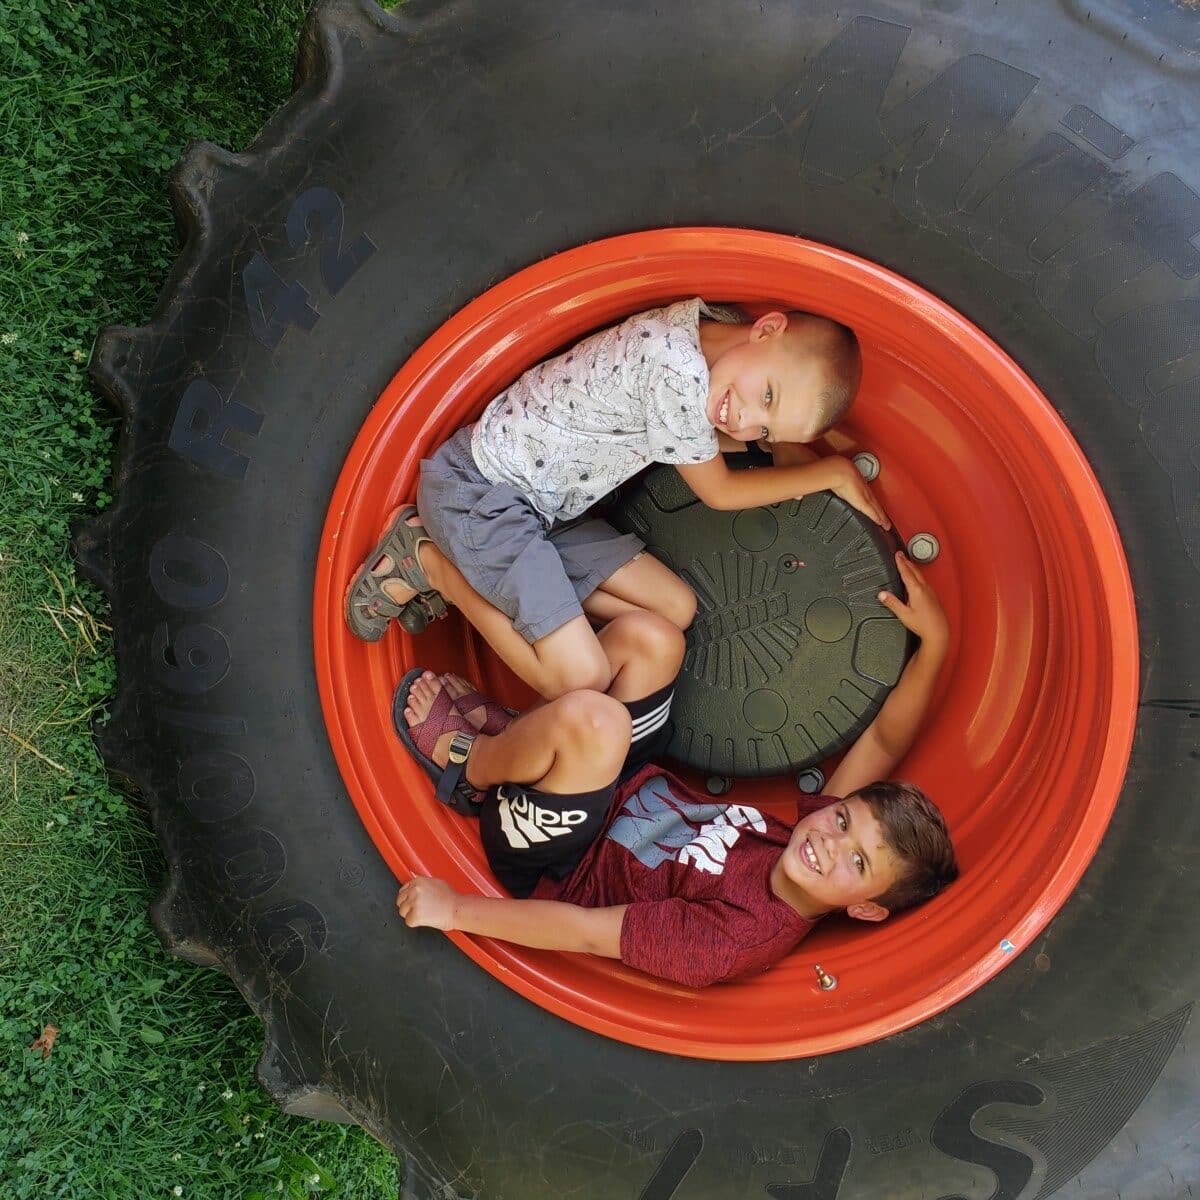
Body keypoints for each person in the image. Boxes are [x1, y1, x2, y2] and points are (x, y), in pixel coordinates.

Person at [394, 551, 957, 988]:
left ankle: (471, 767)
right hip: (618, 783)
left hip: (559, 855)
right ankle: (529, 741)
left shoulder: (734, 938)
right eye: (842, 821)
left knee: (597, 723)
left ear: (862, 907)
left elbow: (586, 935)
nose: (831, 843)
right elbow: (883, 739)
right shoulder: (805, 840)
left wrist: (457, 912)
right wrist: (935, 643)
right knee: (652, 639)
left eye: (856, 862)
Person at [345, 301, 879, 750]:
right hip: (481, 492)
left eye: (765, 424)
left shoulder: (709, 332)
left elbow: (731, 435)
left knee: (675, 608)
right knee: (580, 679)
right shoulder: (675, 371)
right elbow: (720, 492)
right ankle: (432, 560)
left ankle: (506, 596)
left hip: (541, 513)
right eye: (766, 397)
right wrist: (829, 472)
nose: (745, 421)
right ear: (766, 328)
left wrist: (782, 444)